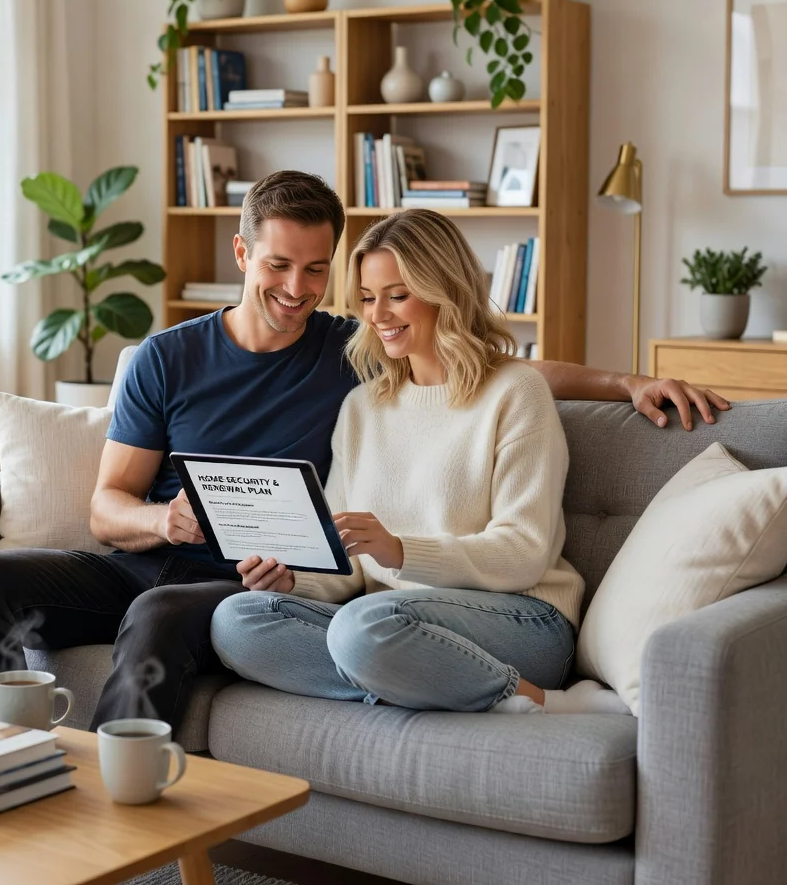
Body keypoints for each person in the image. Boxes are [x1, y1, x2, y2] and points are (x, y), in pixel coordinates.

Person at [0, 171, 728, 731]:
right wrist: (162, 519)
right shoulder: (194, 361)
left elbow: (484, 366)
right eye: (278, 266)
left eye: (317, 270)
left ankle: (119, 812)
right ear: (243, 255)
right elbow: (107, 508)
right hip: (180, 565)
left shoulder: (350, 350)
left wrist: (621, 380)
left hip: (268, 586)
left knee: (219, 618)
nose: (297, 287)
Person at [211, 208, 632, 714]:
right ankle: (427, 684)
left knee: (363, 626)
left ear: (444, 291)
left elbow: (525, 552)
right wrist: (292, 579)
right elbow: (346, 564)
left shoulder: (516, 393)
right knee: (237, 620)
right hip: (388, 621)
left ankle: (542, 699)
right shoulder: (362, 409)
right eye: (367, 298)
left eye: (397, 295)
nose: (377, 315)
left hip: (523, 618)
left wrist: (401, 552)